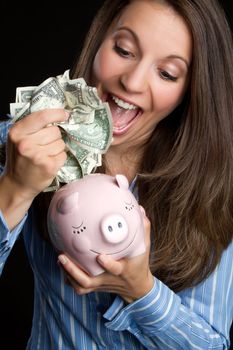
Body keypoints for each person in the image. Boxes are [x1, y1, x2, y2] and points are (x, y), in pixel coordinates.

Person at [0, 0, 233, 348]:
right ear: (99, 40)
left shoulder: (211, 187)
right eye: (124, 50)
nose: (132, 81)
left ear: (189, 91)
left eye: (167, 73)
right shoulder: (24, 144)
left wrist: (142, 293)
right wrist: (14, 189)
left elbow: (212, 344)